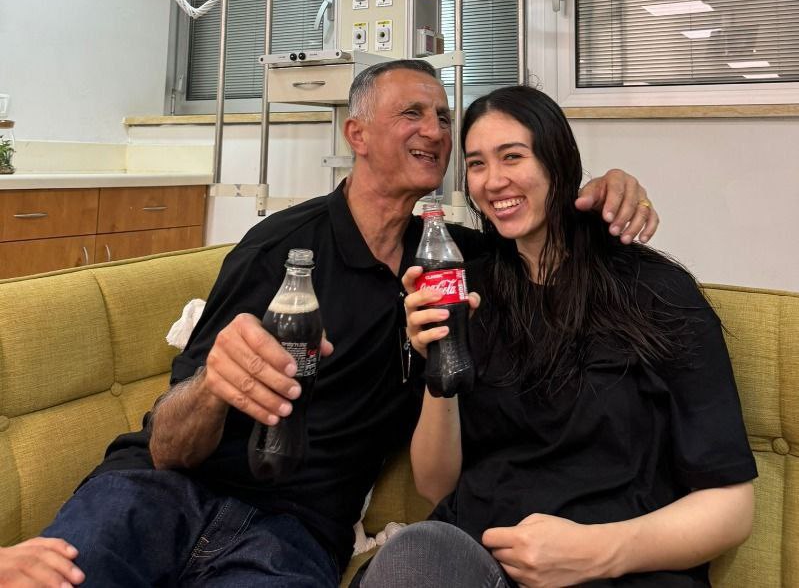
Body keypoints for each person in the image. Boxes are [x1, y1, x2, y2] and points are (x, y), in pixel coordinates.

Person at [4, 61, 657, 587]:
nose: (435, 130)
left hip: (291, 535)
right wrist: (211, 384)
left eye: (442, 116)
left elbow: (543, 237)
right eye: (412, 112)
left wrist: (601, 193)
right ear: (357, 133)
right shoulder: (276, 250)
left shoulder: (453, 261)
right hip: (159, 494)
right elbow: (166, 446)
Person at [359, 85, 756, 588]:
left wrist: (599, 552)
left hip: (619, 569)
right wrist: (440, 364)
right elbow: (436, 484)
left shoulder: (655, 292)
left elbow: (732, 507)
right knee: (416, 553)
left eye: (513, 157)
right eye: (477, 164)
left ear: (557, 161)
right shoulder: (467, 287)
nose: (494, 180)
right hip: (481, 561)